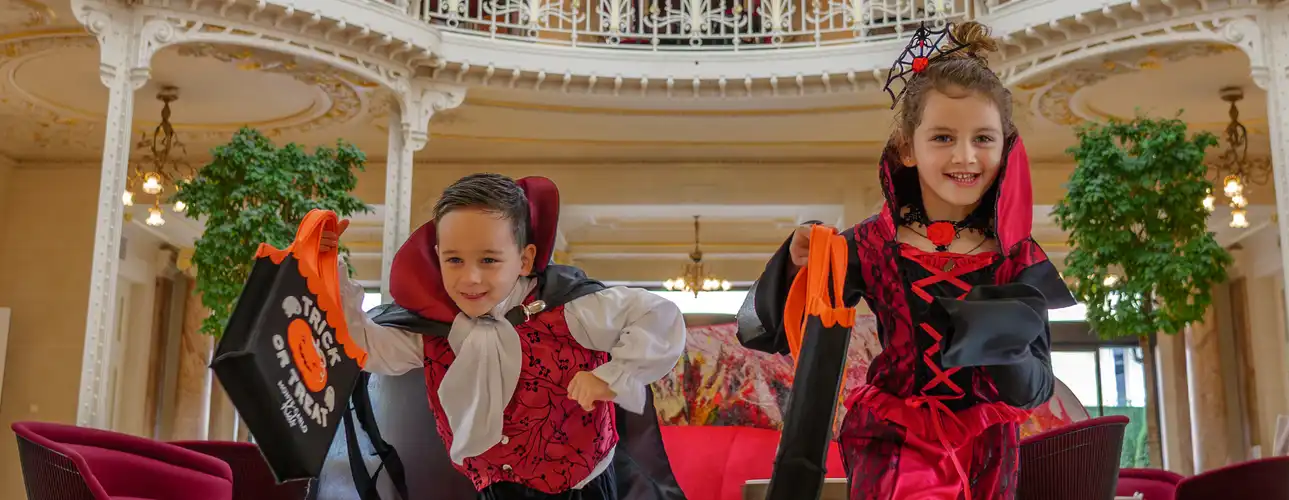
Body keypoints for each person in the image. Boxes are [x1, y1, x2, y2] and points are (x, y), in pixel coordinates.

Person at [736, 21, 1078, 500]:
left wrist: (1006, 347)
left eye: (984, 138)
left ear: (1007, 146)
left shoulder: (1018, 259)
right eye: (942, 137)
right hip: (891, 440)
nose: (965, 155)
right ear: (906, 147)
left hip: (987, 447)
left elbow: (1034, 390)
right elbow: (766, 332)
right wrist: (797, 267)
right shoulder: (869, 244)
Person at [323, 173, 688, 500]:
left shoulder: (572, 310)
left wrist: (610, 377)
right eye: (454, 261)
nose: (471, 279)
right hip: (494, 489)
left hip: (579, 488)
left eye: (488, 260)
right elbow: (367, 348)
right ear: (437, 258)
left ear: (525, 259)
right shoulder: (437, 330)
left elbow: (657, 315)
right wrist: (327, 272)